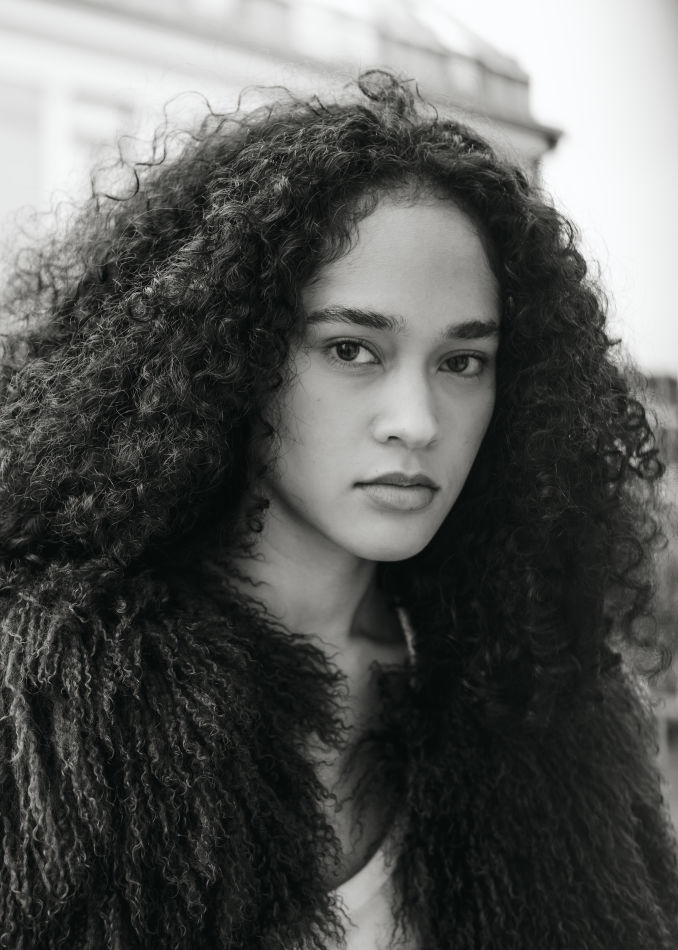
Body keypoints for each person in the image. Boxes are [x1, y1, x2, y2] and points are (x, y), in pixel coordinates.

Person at [0, 69, 676, 949]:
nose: (417, 422)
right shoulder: (42, 706)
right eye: (353, 348)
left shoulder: (542, 694)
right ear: (229, 352)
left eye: (462, 362)